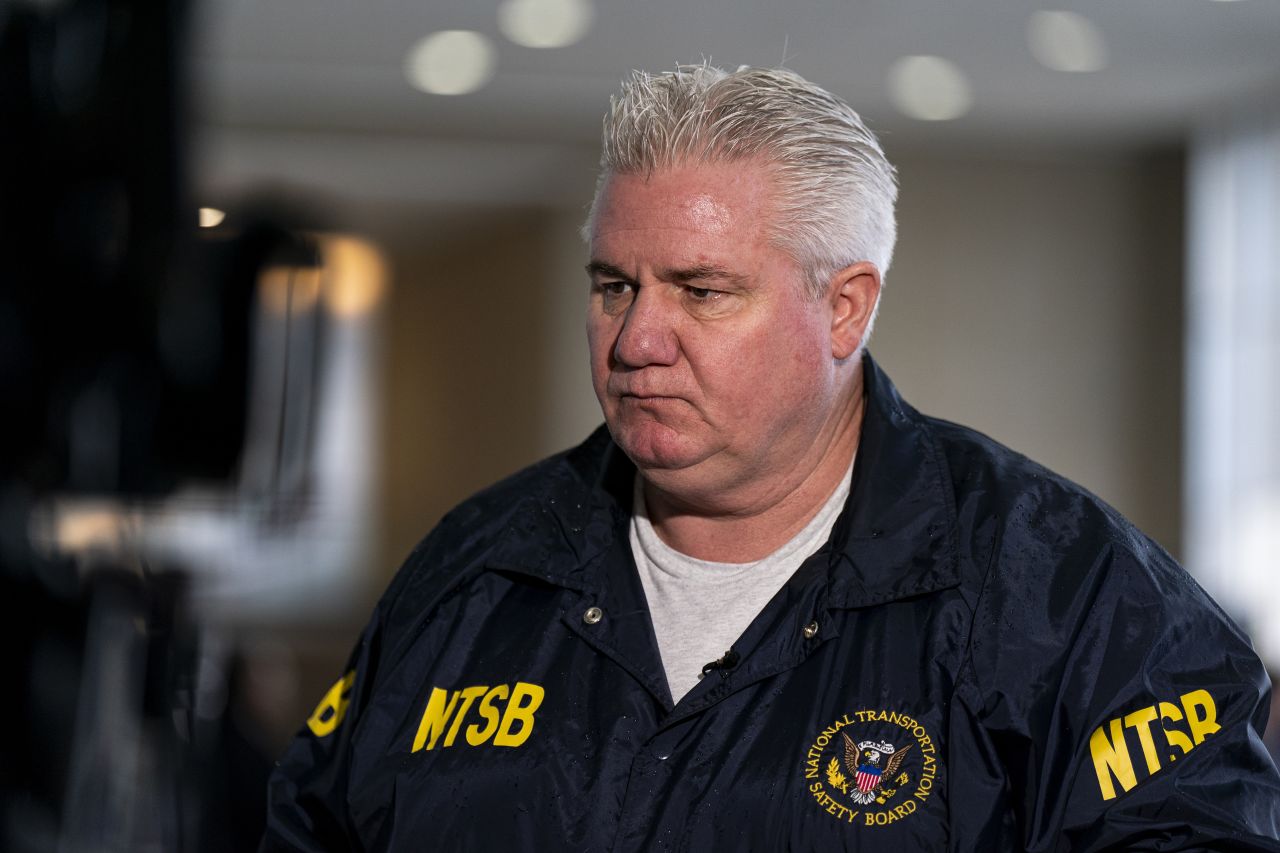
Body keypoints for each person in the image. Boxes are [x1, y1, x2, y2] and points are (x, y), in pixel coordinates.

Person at [261, 65, 1280, 851]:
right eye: (613, 285)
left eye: (700, 291)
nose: (634, 340)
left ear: (844, 307)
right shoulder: (470, 575)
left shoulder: (1067, 597)